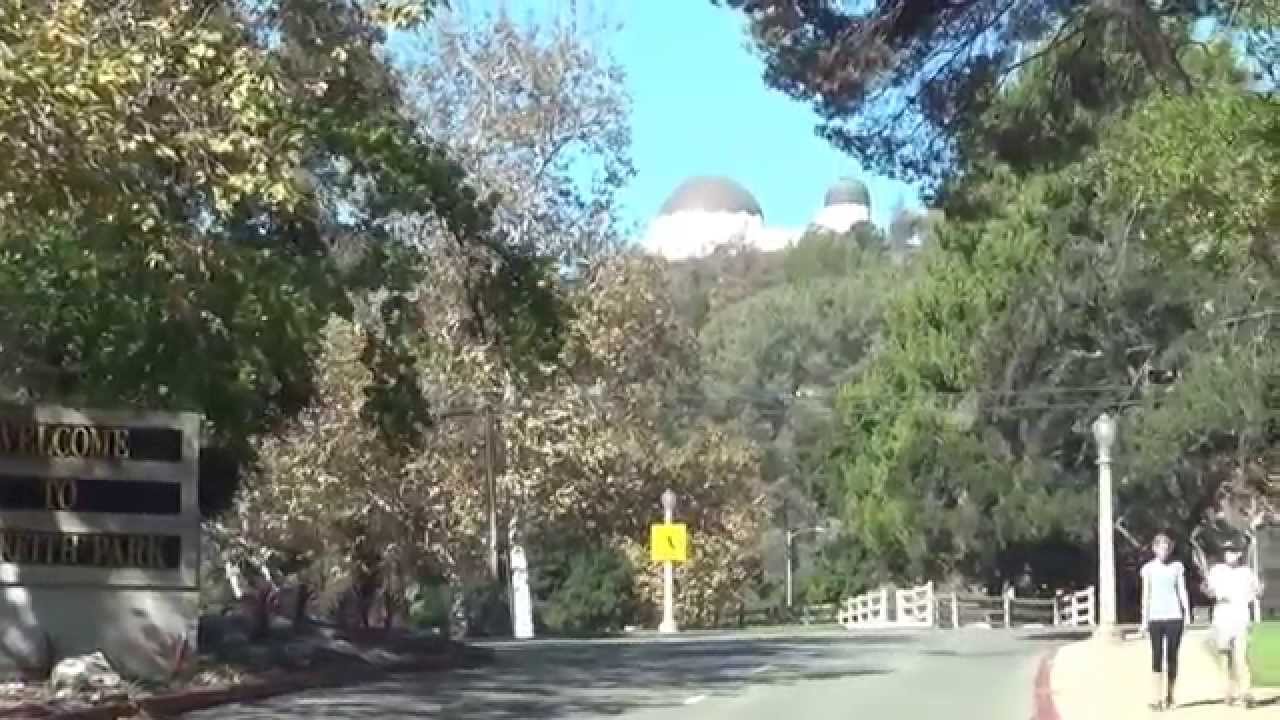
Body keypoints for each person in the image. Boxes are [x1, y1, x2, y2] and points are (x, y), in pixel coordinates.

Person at [1206, 539, 1264, 708]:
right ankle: (1228, 691)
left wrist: (1259, 589)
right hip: (1222, 619)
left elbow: (1257, 592)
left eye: (1232, 551)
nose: (1228, 554)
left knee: (1241, 657)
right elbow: (1209, 591)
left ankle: (1246, 692)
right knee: (1225, 658)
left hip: (1241, 619)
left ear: (1239, 554)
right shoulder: (1216, 571)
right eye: (1226, 551)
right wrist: (1208, 591)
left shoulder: (1247, 572)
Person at [1141, 532, 1191, 711]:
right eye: (1160, 547)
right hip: (1155, 617)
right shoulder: (1148, 569)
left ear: (1170, 549)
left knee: (1172, 656)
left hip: (1174, 616)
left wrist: (1187, 612)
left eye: (1166, 548)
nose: (1163, 551)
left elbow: (1182, 590)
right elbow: (1146, 594)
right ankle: (1156, 697)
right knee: (1156, 657)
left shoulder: (1177, 567)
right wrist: (1144, 619)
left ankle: (1170, 695)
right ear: (1154, 549)